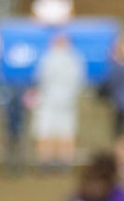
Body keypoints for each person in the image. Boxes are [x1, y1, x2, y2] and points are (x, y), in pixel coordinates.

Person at [33, 33, 86, 171]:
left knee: (63, 133)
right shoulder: (56, 58)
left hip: (61, 103)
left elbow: (41, 78)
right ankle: (49, 162)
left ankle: (60, 162)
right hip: (52, 102)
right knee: (49, 132)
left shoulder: (67, 58)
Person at [101, 37, 124, 172]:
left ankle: (123, 163)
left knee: (121, 136)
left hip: (121, 105)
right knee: (123, 135)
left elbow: (110, 84)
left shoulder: (120, 68)